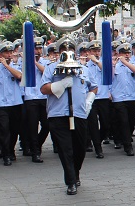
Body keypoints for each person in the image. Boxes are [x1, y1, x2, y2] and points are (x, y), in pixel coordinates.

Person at [40, 36, 97, 195]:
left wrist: (89, 101)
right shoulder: (52, 68)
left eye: (70, 49)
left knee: (80, 148)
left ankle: (75, 172)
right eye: (64, 50)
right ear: (59, 53)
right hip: (58, 114)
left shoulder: (83, 69)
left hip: (79, 114)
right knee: (66, 150)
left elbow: (94, 87)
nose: (67, 52)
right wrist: (60, 84)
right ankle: (71, 181)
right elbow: (43, 89)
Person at [0, 42, 23, 166]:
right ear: (1, 54)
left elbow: (19, 76)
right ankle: (6, 154)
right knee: (3, 129)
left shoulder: (16, 65)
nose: (8, 55)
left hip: (15, 102)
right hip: (1, 103)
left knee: (15, 129)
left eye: (10, 52)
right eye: (5, 53)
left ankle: (11, 149)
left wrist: (7, 65)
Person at [110, 43, 135, 156]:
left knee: (131, 121)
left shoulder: (133, 63)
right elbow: (109, 78)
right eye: (124, 53)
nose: (127, 55)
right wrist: (114, 65)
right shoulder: (114, 65)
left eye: (128, 53)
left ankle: (125, 138)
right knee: (123, 121)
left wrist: (126, 62)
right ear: (119, 54)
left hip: (132, 96)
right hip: (119, 98)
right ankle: (128, 146)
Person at [23, 37, 50, 163]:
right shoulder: (23, 62)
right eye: (35, 48)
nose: (38, 51)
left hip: (43, 97)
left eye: (40, 48)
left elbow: (47, 73)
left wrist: (35, 63)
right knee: (32, 126)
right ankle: (35, 152)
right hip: (30, 97)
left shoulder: (45, 62)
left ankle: (37, 144)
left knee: (47, 125)